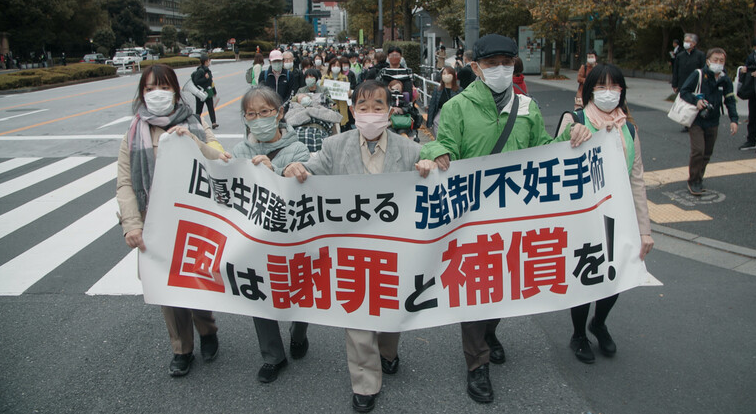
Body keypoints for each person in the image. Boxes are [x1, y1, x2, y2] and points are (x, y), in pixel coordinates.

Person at [420, 34, 592, 404]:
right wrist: (437, 152)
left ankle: (489, 332)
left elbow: (542, 149)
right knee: (475, 289)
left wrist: (572, 137)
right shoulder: (457, 107)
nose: (501, 68)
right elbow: (440, 143)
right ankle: (476, 364)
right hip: (471, 217)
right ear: (476, 67)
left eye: (507, 61)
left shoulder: (527, 106)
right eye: (492, 62)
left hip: (516, 217)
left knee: (506, 286)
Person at [284, 80, 438, 413]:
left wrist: (428, 168)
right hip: (349, 249)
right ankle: (365, 382)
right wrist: (291, 168)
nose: (370, 114)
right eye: (363, 107)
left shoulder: (410, 149)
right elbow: (307, 175)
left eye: (378, 107)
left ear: (389, 111)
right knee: (357, 314)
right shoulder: (334, 146)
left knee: (391, 311)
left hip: (396, 250)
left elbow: (431, 182)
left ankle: (386, 353)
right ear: (353, 111)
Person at [116, 64, 230, 377]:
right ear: (141, 93)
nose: (156, 94)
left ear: (176, 92)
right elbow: (125, 183)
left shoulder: (192, 122)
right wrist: (132, 224)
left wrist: (192, 142)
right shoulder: (134, 133)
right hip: (154, 222)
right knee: (167, 286)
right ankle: (181, 349)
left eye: (163, 87)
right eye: (150, 88)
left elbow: (219, 159)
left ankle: (207, 330)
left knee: (196, 279)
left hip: (193, 220)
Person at [564, 63, 654, 363]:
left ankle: (598, 323)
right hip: (582, 217)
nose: (609, 93)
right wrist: (570, 133)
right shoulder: (575, 119)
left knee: (615, 276)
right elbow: (553, 149)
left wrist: (645, 230)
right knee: (585, 276)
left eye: (615, 86)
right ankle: (578, 333)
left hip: (619, 217)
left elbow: (636, 179)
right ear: (589, 90)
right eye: (601, 86)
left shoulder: (627, 127)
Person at [231, 86, 312, 383]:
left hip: (292, 236)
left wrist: (275, 171)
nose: (259, 118)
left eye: (265, 112)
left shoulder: (299, 148)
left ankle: (299, 331)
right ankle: (272, 356)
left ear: (279, 113)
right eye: (251, 114)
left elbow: (307, 186)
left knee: (300, 288)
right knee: (258, 292)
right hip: (255, 238)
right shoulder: (240, 152)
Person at [679, 48, 739, 195]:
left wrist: (734, 120)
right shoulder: (698, 74)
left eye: (721, 61)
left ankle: (699, 178)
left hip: (713, 121)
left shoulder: (725, 79)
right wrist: (696, 101)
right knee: (698, 150)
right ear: (708, 61)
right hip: (697, 120)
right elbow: (684, 91)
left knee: (707, 152)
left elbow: (730, 100)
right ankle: (693, 180)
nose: (718, 63)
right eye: (715, 60)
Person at [426, 66, 461, 137]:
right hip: (440, 114)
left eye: (448, 74)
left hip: (453, 116)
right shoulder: (437, 90)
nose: (446, 76)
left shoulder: (459, 90)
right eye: (444, 74)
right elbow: (432, 105)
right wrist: (429, 122)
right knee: (437, 128)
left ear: (453, 76)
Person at [191, 54, 218, 129]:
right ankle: (196, 123)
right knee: (199, 109)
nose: (209, 62)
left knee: (211, 108)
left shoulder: (207, 70)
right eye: (209, 60)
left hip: (208, 92)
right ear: (206, 61)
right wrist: (205, 79)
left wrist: (214, 91)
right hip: (200, 93)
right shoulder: (200, 71)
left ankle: (214, 122)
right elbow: (196, 81)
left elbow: (211, 81)